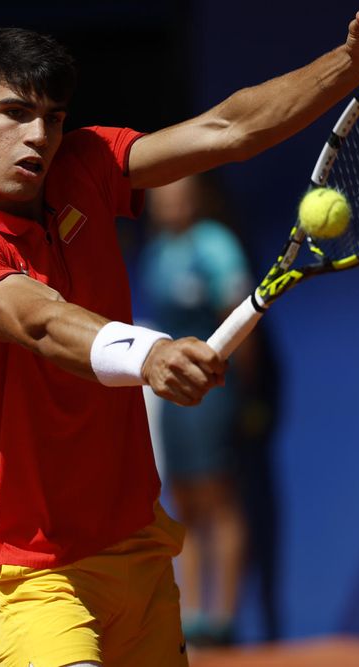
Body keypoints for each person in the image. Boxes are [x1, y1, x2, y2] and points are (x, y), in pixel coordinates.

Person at [0, 7, 359, 666]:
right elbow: (40, 318)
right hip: (35, 568)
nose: (37, 136)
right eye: (14, 113)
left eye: (53, 118)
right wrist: (150, 351)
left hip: (137, 546)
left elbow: (229, 127)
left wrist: (351, 65)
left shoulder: (84, 163)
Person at [140, 174, 267, 646]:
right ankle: (192, 614)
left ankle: (224, 616)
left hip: (214, 393)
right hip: (173, 395)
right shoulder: (155, 253)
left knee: (218, 500)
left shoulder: (216, 246)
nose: (169, 202)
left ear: (195, 199)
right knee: (185, 502)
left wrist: (246, 394)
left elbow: (240, 325)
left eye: (178, 194)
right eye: (161, 196)